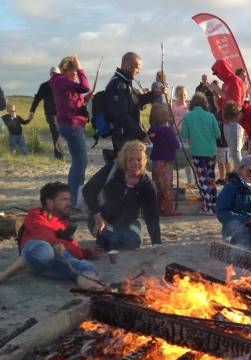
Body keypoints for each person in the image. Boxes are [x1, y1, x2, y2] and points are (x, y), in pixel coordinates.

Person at [0, 182, 101, 288]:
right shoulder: (36, 215)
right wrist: (60, 244)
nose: (69, 203)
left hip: (54, 261)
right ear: (49, 202)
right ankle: (5, 275)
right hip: (37, 254)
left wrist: (87, 253)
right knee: (43, 248)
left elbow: (71, 246)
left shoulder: (64, 221)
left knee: (85, 267)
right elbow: (46, 237)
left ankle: (97, 291)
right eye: (64, 199)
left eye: (69, 199)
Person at [83, 141, 161, 250]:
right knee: (109, 240)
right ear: (124, 161)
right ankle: (107, 236)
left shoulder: (147, 184)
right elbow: (88, 190)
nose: (135, 163)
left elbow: (151, 213)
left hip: (129, 222)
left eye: (138, 160)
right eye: (131, 160)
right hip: (102, 218)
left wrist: (156, 242)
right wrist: (97, 216)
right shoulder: (112, 171)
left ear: (143, 161)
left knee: (133, 242)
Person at [50, 54, 92, 207]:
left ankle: (73, 199)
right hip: (71, 125)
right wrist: (81, 68)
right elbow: (84, 86)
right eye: (73, 71)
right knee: (80, 162)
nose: (76, 75)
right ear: (65, 69)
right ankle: (74, 201)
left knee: (79, 162)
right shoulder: (61, 80)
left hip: (71, 124)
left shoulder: (63, 84)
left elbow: (74, 102)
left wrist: (86, 99)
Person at [105, 52, 161, 154]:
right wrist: (141, 135)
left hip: (130, 134)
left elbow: (136, 102)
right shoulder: (117, 85)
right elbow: (122, 116)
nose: (139, 71)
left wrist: (155, 93)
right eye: (137, 67)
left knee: (131, 167)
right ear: (127, 65)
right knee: (126, 166)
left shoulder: (126, 83)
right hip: (123, 136)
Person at [181, 93, 222, 214]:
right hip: (211, 151)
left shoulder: (188, 116)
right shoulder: (210, 116)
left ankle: (207, 206)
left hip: (198, 151)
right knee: (211, 178)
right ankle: (213, 204)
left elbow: (184, 134)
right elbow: (218, 134)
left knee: (203, 179)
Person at [148, 104, 181, 216]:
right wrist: (174, 135)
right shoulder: (168, 130)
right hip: (166, 162)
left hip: (156, 161)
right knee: (166, 186)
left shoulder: (152, 130)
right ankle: (168, 209)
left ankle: (157, 208)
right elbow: (176, 145)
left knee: (157, 184)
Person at [29, 67, 64, 159]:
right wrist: (32, 111)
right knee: (56, 132)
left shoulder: (63, 84)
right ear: (50, 74)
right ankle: (59, 156)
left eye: (56, 74)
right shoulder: (45, 85)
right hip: (50, 114)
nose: (54, 75)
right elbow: (37, 99)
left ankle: (60, 153)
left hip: (62, 113)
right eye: (53, 74)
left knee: (62, 132)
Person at [171, 85, 195, 187]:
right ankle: (171, 180)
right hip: (176, 134)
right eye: (180, 95)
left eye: (184, 95)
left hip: (186, 135)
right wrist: (172, 129)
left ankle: (191, 181)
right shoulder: (173, 107)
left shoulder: (188, 108)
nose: (183, 97)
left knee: (188, 158)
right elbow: (170, 120)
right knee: (174, 156)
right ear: (176, 95)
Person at [223, 101, 244, 173]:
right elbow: (237, 151)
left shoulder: (226, 125)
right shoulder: (236, 127)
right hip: (238, 162)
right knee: (236, 153)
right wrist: (242, 170)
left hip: (232, 156)